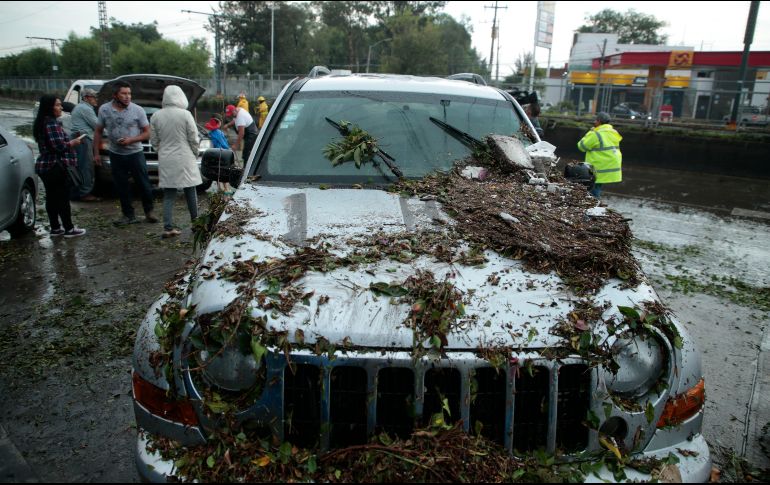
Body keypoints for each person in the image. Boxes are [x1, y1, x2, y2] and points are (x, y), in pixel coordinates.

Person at [93, 80, 159, 226]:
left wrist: (132, 140)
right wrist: (96, 153)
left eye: (129, 93)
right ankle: (128, 215)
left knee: (144, 184)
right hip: (115, 154)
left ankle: (149, 211)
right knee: (121, 185)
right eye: (124, 93)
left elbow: (148, 133)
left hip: (135, 153)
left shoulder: (138, 110)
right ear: (115, 95)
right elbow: (98, 131)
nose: (127, 96)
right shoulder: (104, 109)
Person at [150, 85, 202, 239]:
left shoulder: (156, 116)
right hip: (185, 156)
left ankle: (167, 227)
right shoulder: (185, 114)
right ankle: (196, 224)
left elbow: (154, 140)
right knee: (190, 191)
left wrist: (161, 150)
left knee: (169, 194)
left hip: (166, 158)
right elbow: (193, 137)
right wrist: (195, 152)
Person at [32, 94, 87, 238]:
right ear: (49, 107)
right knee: (62, 198)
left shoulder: (41, 122)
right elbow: (59, 146)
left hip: (46, 166)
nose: (60, 107)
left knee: (51, 198)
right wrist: (73, 143)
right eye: (57, 105)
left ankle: (55, 227)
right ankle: (69, 229)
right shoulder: (51, 123)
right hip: (55, 167)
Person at [577, 111, 622, 198]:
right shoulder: (613, 132)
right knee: (597, 187)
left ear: (599, 121)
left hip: (599, 167)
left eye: (596, 120)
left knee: (593, 190)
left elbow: (581, 146)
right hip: (610, 166)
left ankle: (595, 206)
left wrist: (590, 132)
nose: (594, 122)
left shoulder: (596, 134)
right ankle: (596, 204)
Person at [69, 88, 101, 202]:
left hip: (80, 139)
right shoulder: (85, 108)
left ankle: (79, 191)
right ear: (86, 98)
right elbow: (97, 125)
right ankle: (84, 193)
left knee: (81, 166)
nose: (96, 99)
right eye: (93, 97)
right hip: (83, 139)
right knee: (86, 167)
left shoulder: (81, 107)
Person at [204, 117, 235, 196]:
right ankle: (227, 188)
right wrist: (229, 150)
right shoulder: (219, 133)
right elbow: (224, 144)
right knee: (224, 171)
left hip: (215, 153)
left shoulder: (211, 133)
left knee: (217, 171)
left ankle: (220, 188)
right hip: (222, 153)